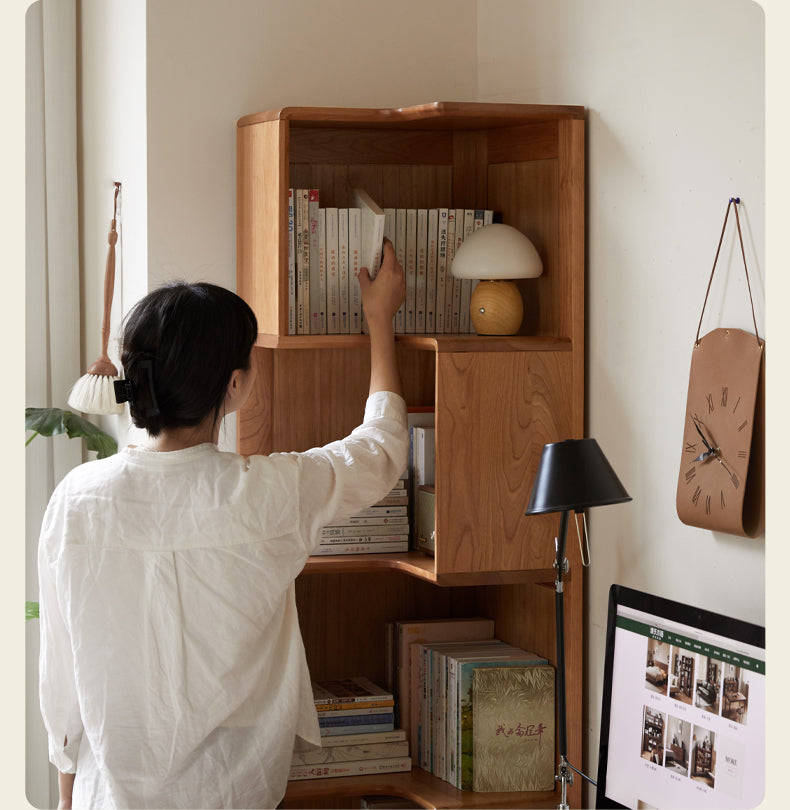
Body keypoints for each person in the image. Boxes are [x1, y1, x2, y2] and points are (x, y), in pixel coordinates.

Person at [38, 240, 408, 809]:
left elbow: (62, 684)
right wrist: (381, 322)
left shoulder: (76, 501)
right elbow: (380, 451)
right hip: (234, 795)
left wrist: (66, 799)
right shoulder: (270, 493)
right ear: (234, 386)